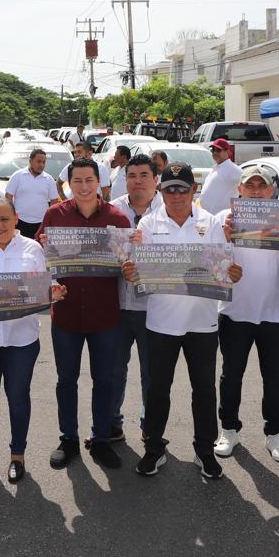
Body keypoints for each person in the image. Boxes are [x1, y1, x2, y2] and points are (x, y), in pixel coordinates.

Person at [123, 164, 241, 479]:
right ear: (161, 192)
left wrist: (232, 273)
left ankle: (205, 450)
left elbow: (226, 268)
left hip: (202, 322)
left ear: (193, 192)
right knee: (158, 389)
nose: (176, 195)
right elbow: (138, 270)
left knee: (203, 388)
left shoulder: (211, 223)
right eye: (170, 189)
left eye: (182, 189)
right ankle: (154, 448)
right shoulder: (148, 224)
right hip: (161, 322)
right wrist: (132, 271)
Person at [0, 199, 66, 483]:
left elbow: (46, 285)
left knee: (18, 398)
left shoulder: (33, 249)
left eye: (5, 219)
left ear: (16, 218)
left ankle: (17, 455)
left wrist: (54, 291)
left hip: (22, 339)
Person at [39, 157, 130, 470]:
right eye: (76, 181)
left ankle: (101, 439)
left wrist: (133, 254)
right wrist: (49, 281)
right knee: (66, 380)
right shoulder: (55, 215)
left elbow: (127, 268)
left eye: (89, 180)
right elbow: (43, 260)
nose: (83, 187)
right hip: (65, 314)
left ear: (98, 181)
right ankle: (69, 438)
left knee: (104, 380)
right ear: (68, 183)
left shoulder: (117, 219)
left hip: (105, 315)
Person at [214, 168, 279, 463]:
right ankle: (228, 429)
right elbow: (214, 260)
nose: (257, 190)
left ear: (272, 191)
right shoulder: (225, 218)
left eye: (263, 186)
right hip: (236, 310)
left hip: (276, 310)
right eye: (251, 186)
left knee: (274, 378)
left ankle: (275, 434)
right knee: (231, 375)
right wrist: (226, 237)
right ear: (241, 190)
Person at [108, 154, 162, 443]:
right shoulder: (111, 212)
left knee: (151, 373)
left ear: (156, 179)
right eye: (132, 175)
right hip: (116, 304)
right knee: (114, 369)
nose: (137, 181)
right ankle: (113, 422)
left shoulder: (171, 211)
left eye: (144, 175)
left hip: (153, 307)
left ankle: (149, 423)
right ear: (124, 179)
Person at [5, 148, 59, 240]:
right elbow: (8, 196)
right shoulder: (18, 176)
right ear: (30, 161)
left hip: (41, 223)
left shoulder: (49, 179)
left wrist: (49, 219)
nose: (41, 165)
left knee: (39, 251)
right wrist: (12, 214)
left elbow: (54, 200)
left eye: (43, 162)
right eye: (38, 161)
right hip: (20, 222)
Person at [199, 138, 242, 214]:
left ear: (227, 151)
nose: (215, 153)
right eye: (213, 150)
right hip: (208, 217)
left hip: (221, 219)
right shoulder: (216, 168)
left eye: (218, 150)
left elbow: (246, 187)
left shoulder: (233, 170)